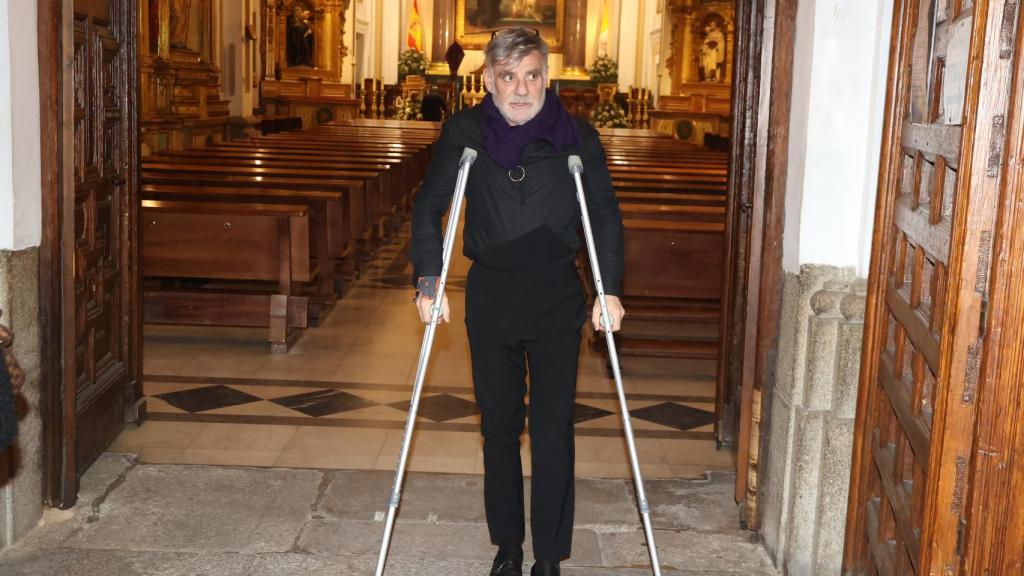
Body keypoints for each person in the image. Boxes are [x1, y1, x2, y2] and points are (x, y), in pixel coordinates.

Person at [410, 26, 625, 576]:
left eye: (532, 76)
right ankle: (508, 546)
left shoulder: (577, 136)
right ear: (489, 80)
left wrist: (609, 289)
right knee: (499, 426)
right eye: (508, 77)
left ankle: (549, 556)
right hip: (492, 293)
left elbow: (602, 213)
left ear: (546, 78)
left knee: (553, 428)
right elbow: (429, 205)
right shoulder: (464, 132)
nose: (522, 89)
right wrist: (429, 279)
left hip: (556, 293)